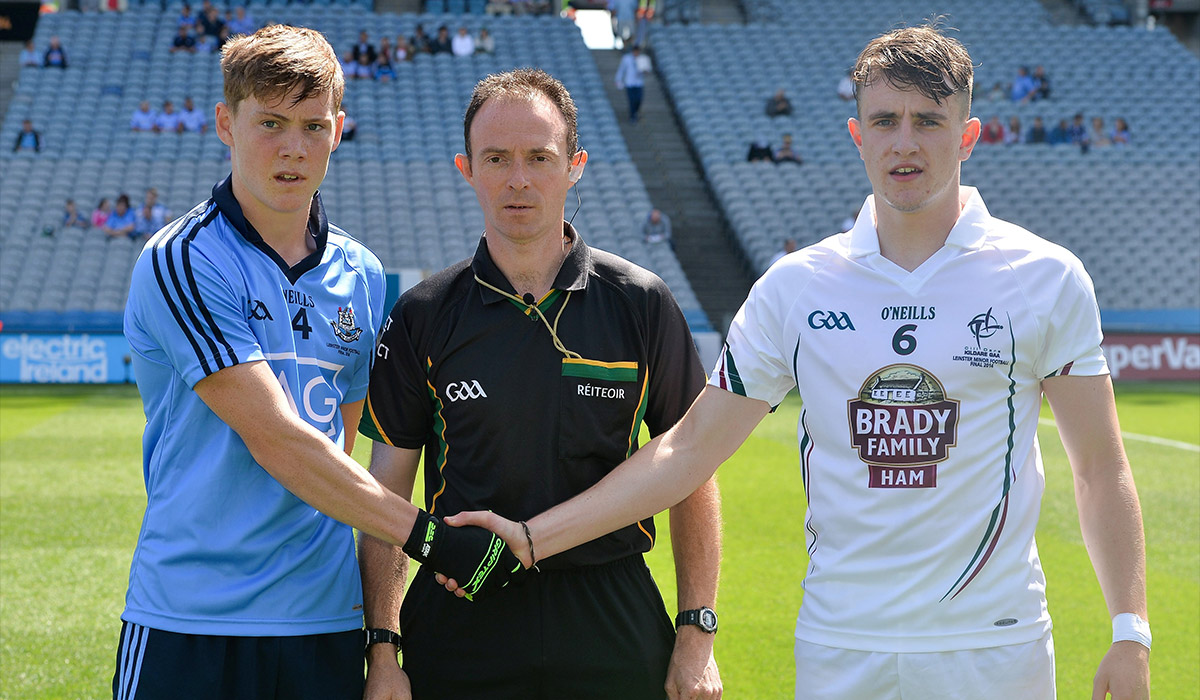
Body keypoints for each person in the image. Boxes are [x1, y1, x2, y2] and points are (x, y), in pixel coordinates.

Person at [446, 25, 1151, 700]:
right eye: (884, 121)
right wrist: (535, 539)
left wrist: (1130, 629)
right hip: (842, 648)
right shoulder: (797, 287)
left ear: (967, 134)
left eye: (928, 121)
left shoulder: (1045, 277)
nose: (905, 143)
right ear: (857, 135)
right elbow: (688, 449)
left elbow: (1100, 468)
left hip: (995, 647)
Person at [111, 25, 521, 700]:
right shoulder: (182, 259)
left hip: (323, 623)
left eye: (312, 125)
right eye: (269, 122)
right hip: (191, 619)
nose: (293, 148)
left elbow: (344, 455)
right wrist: (433, 540)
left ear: (339, 129)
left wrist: (382, 640)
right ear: (225, 122)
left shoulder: (358, 271)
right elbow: (280, 441)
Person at [357, 68, 721, 700]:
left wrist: (695, 635)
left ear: (575, 164)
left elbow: (692, 471)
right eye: (495, 158)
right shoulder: (421, 315)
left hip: (609, 606)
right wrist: (384, 649)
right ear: (465, 168)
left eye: (539, 157)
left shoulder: (640, 303)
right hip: (459, 607)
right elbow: (384, 498)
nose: (518, 179)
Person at [614, 45, 647, 123]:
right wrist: (618, 79)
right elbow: (622, 69)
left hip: (639, 83)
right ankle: (632, 116)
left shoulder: (642, 59)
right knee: (632, 100)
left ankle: (636, 112)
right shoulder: (626, 58)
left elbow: (646, 70)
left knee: (638, 99)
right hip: (629, 83)